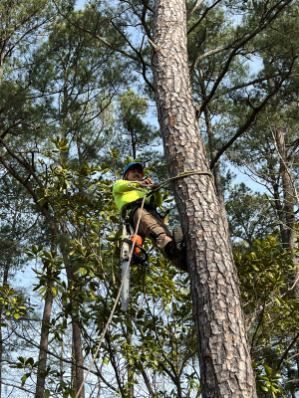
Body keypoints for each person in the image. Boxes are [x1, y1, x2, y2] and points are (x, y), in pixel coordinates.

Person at [113, 162, 187, 271]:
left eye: (139, 172)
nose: (137, 173)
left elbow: (157, 203)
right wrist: (139, 184)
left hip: (151, 212)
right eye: (133, 171)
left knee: (163, 233)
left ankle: (181, 262)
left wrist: (155, 190)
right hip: (136, 211)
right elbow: (121, 186)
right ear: (126, 175)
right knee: (156, 230)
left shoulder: (143, 190)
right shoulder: (120, 184)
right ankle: (172, 249)